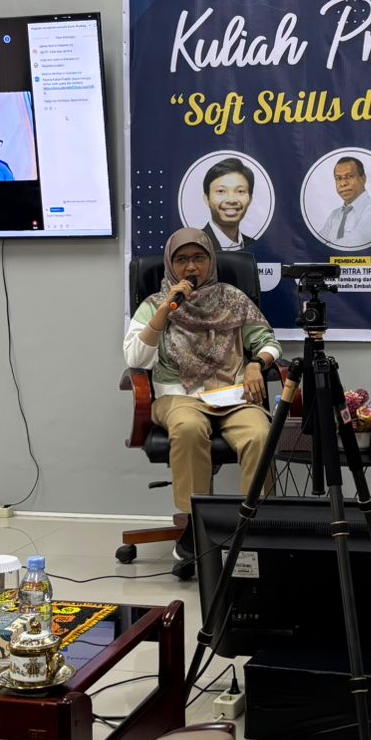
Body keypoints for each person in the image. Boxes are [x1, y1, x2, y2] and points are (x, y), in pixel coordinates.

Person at [122, 228, 280, 561]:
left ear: (211, 261)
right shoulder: (155, 304)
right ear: (170, 264)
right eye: (182, 260)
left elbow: (268, 342)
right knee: (189, 428)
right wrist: (165, 310)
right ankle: (196, 522)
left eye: (198, 258)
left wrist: (257, 364)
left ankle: (253, 523)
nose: (191, 267)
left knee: (259, 435)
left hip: (232, 396)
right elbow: (136, 359)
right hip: (178, 397)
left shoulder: (233, 299)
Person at [319, 156, 371, 248]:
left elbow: (353, 246)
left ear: (363, 178)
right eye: (338, 178)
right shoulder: (335, 215)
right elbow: (317, 244)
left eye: (350, 176)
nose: (343, 183)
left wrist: (325, 247)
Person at [200, 157, 255, 251]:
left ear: (250, 199)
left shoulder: (255, 246)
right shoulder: (195, 244)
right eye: (221, 191)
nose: (231, 200)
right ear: (206, 199)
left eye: (240, 191)